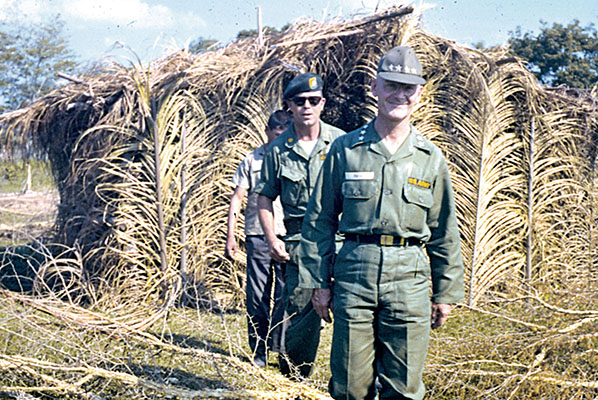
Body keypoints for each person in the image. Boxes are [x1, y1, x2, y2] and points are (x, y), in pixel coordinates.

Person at [298, 46, 465, 399]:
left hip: (411, 277)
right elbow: (320, 219)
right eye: (391, 84)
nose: (398, 94)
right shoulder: (345, 149)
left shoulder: (430, 158)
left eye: (408, 88)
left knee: (403, 387)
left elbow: (444, 230)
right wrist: (317, 281)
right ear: (375, 87)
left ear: (419, 94)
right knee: (349, 384)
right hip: (354, 271)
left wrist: (445, 292)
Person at [255, 72, 346, 378]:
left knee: (353, 316)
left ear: (323, 103)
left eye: (313, 100)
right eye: (299, 101)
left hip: (343, 240)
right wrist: (271, 238)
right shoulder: (278, 149)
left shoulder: (342, 142)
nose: (307, 106)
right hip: (300, 244)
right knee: (300, 325)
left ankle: (354, 385)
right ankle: (295, 384)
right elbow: (265, 198)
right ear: (289, 105)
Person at [225, 110, 291, 368]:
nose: (279, 140)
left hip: (288, 235)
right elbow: (237, 199)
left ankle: (283, 350)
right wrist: (231, 235)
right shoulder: (252, 160)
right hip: (258, 236)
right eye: (276, 134)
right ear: (267, 131)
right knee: (257, 295)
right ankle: (259, 351)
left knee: (286, 294)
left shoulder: (294, 158)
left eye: (284, 135)